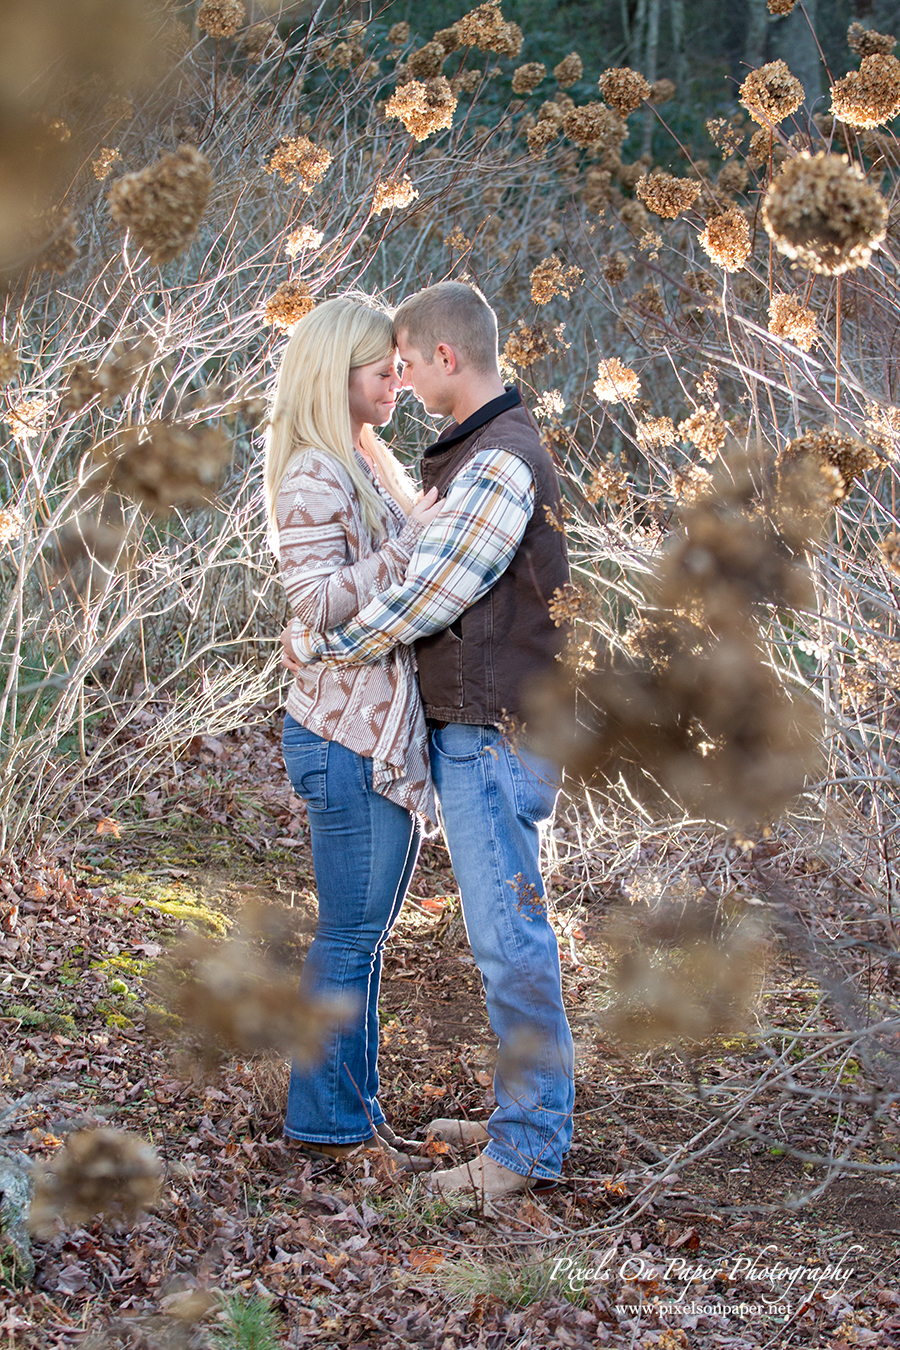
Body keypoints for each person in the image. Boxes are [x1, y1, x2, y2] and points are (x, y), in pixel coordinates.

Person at [283, 281, 575, 1198]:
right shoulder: (469, 457)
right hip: (466, 734)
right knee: (488, 940)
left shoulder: (495, 463)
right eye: (386, 367)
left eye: (405, 362)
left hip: (491, 736)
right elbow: (398, 575)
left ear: (447, 358)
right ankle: (509, 1124)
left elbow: (429, 595)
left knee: (508, 942)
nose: (401, 382)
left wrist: (323, 641)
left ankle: (524, 1144)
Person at [265, 296, 442, 1167]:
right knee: (347, 937)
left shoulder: (364, 461)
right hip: (341, 735)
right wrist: (415, 547)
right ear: (338, 376)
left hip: (367, 732)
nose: (399, 388)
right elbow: (315, 601)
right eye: (385, 373)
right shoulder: (313, 473)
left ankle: (352, 1115)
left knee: (362, 939)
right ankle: (325, 1129)